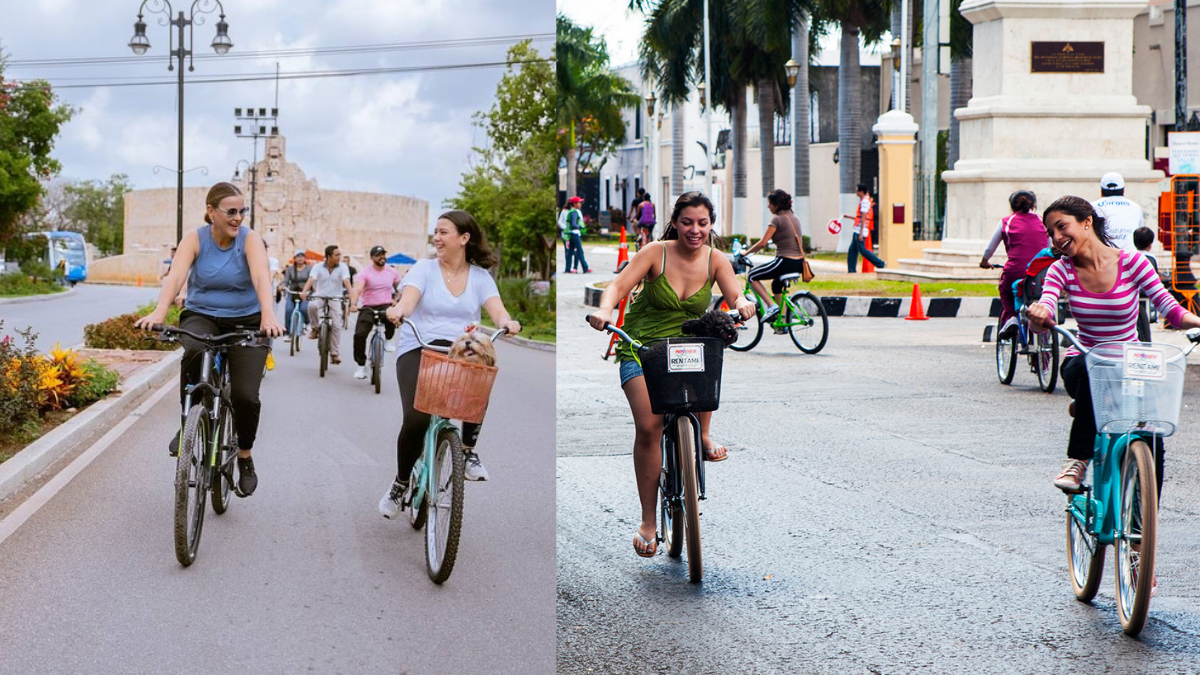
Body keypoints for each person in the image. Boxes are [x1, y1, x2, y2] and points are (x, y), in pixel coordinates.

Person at [586, 191, 755, 558]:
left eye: (703, 223)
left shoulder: (716, 259)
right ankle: (649, 521)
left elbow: (736, 294)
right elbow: (617, 286)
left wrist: (743, 304)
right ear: (675, 222)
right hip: (643, 348)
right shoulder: (655, 252)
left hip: (688, 350)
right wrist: (603, 309)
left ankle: (704, 435)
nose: (695, 230)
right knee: (650, 426)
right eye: (687, 222)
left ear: (711, 225)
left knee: (710, 353)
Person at [1027, 196, 1200, 497]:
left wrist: (1197, 322)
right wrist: (1040, 315)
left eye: (1061, 227)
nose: (1056, 238)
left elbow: (1170, 310)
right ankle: (1078, 459)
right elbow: (1047, 304)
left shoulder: (1132, 262)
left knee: (1152, 439)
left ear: (1086, 221)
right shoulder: (1061, 270)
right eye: (1050, 232)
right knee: (1088, 371)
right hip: (1084, 359)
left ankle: (1140, 528)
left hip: (1131, 364)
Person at [134, 182, 285, 497]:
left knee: (245, 395)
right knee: (193, 351)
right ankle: (189, 419)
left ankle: (244, 455)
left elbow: (261, 277)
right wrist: (159, 312)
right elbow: (175, 276)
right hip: (203, 315)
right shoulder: (195, 238)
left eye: (242, 211)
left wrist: (268, 316)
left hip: (247, 320)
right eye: (231, 211)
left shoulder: (250, 240)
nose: (237, 218)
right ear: (211, 212)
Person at [378, 210, 522, 517]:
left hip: (461, 350)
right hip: (420, 347)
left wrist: (508, 322)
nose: (437, 238)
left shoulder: (480, 277)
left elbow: (497, 311)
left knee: (479, 383)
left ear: (463, 238)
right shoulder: (424, 269)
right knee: (416, 418)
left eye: (444, 232)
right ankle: (401, 483)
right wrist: (398, 310)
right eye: (436, 232)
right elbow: (409, 298)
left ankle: (467, 452)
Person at [980, 190, 1049, 337]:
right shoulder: (1043, 221)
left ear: (1011, 206)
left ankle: (1011, 318)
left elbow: (989, 249)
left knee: (1005, 290)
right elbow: (1050, 247)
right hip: (1042, 272)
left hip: (1015, 271)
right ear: (1034, 205)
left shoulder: (1006, 221)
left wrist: (985, 262)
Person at [740, 188, 808, 326]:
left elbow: (763, 243)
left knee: (752, 276)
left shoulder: (777, 219)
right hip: (799, 262)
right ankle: (781, 323)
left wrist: (745, 253)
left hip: (785, 261)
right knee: (776, 284)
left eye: (770, 203)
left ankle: (771, 306)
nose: (768, 206)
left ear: (776, 205)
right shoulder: (794, 217)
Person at [350, 245, 401, 379]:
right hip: (369, 306)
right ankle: (361, 366)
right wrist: (353, 304)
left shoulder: (392, 272)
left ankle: (389, 339)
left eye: (383, 254)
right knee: (359, 334)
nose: (382, 257)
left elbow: (400, 289)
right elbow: (357, 289)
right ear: (372, 258)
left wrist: (396, 299)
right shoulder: (365, 273)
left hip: (385, 304)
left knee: (391, 313)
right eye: (378, 255)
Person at [300, 244, 352, 365]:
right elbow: (311, 279)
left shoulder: (343, 267)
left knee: (337, 325)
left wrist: (352, 297)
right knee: (312, 306)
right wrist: (304, 291)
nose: (339, 257)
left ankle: (334, 353)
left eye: (339, 254)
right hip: (320, 295)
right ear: (328, 256)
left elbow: (347, 282)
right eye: (337, 255)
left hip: (335, 298)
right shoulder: (318, 267)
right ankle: (314, 328)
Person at [1092, 172, 1141, 252]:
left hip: (1103, 256)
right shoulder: (1136, 207)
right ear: (1123, 190)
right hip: (1130, 256)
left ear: (1101, 191)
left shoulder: (1093, 207)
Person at [843, 183, 886, 272]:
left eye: (857, 190)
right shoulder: (863, 201)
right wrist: (849, 217)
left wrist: (861, 233)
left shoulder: (865, 202)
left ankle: (880, 263)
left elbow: (864, 217)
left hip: (860, 230)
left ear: (861, 192)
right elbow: (860, 217)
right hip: (857, 229)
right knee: (852, 250)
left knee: (863, 251)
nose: (856, 192)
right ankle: (851, 270)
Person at [1133, 226, 1159, 342]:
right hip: (1147, 294)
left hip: (1135, 293)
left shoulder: (1131, 256)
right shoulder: (1152, 258)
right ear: (1150, 244)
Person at [279, 249, 312, 335]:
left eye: (302, 256)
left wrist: (314, 289)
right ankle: (287, 332)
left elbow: (312, 280)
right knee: (288, 310)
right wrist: (283, 286)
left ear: (305, 258)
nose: (300, 258)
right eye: (298, 256)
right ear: (295, 258)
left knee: (304, 309)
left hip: (305, 293)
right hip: (292, 292)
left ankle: (307, 323)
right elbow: (285, 281)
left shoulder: (309, 269)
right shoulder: (290, 269)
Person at [564, 196, 592, 274]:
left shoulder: (571, 211)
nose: (580, 204)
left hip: (571, 234)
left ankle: (567, 268)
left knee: (570, 252)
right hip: (575, 234)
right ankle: (585, 267)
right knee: (580, 251)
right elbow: (573, 224)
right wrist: (580, 227)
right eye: (579, 202)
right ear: (575, 204)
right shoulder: (574, 212)